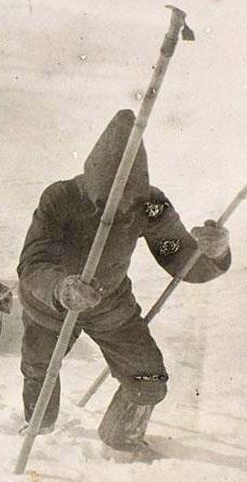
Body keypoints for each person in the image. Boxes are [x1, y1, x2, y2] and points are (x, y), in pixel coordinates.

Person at [16, 109, 231, 462]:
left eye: (132, 202)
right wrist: (62, 289)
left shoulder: (149, 205)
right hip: (52, 305)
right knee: (40, 372)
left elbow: (179, 258)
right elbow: (33, 264)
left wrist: (213, 253)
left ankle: (120, 441)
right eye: (112, 204)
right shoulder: (61, 198)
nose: (124, 211)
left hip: (110, 305)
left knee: (149, 378)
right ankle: (40, 434)